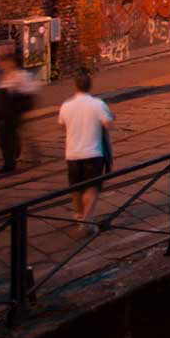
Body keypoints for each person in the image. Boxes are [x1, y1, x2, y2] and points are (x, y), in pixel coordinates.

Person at [58, 72, 114, 231]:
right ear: (90, 86)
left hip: (72, 154)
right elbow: (108, 125)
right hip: (93, 152)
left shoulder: (66, 105)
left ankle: (79, 215)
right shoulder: (98, 104)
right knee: (92, 187)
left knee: (76, 187)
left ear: (75, 86)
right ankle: (87, 219)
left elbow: (62, 126)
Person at [0, 54, 38, 173]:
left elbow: (30, 93)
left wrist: (17, 100)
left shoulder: (21, 76)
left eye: (5, 62)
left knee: (6, 135)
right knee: (10, 134)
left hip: (14, 111)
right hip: (6, 112)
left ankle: (9, 162)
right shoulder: (5, 76)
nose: (2, 65)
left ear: (12, 63)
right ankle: (17, 154)